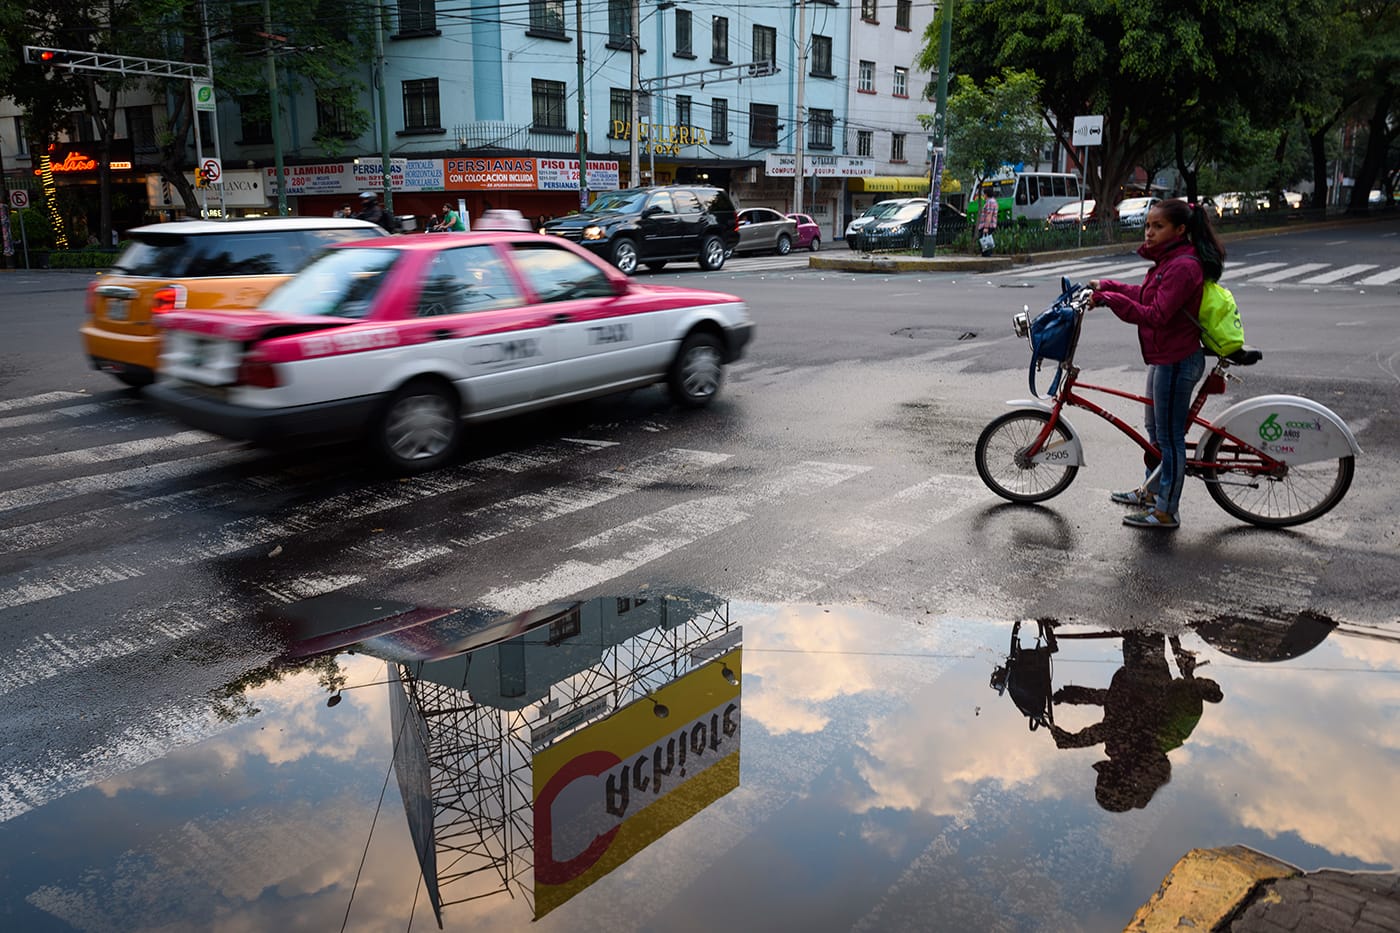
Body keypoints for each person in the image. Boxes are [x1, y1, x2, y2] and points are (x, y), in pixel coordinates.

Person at [1089, 198, 1225, 529]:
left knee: (1170, 439)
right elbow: (1147, 296)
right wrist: (1108, 286)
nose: (1149, 232)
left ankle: (1166, 511)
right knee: (1156, 433)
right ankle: (1152, 492)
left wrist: (1109, 300)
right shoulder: (1169, 262)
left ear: (1180, 230)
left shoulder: (1183, 266)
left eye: (1157, 226)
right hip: (1164, 358)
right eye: (1148, 225)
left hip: (1176, 360)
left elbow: (1157, 315)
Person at [975, 188, 999, 256]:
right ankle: (986, 254)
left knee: (984, 241)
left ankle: (986, 255)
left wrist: (986, 227)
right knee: (985, 241)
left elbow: (989, 214)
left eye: (984, 194)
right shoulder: (993, 201)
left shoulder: (990, 202)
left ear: (986, 194)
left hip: (987, 225)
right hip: (989, 225)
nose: (983, 196)